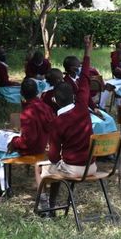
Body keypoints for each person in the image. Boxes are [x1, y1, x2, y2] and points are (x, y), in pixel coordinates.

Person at [38, 35, 94, 214]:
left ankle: (47, 207)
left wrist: (53, 154)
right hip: (91, 166)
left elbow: (54, 156)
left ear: (54, 100)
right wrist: (87, 52)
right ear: (73, 96)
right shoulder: (83, 107)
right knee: (57, 166)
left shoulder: (57, 122)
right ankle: (53, 206)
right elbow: (85, 78)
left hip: (73, 168)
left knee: (42, 167)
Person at [0, 78, 53, 200]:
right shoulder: (46, 107)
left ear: (21, 93)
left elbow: (27, 140)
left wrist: (14, 143)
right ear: (37, 92)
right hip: (42, 144)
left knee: (0, 156)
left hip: (32, 149)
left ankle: (4, 189)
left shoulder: (28, 112)